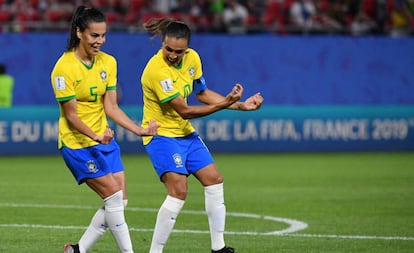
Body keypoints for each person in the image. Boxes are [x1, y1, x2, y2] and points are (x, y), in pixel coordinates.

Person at [140, 17, 264, 253]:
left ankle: (218, 248)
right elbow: (184, 110)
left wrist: (241, 106)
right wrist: (225, 103)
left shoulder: (193, 58)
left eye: (179, 51)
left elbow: (203, 94)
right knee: (178, 192)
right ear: (162, 44)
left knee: (214, 180)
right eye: (169, 49)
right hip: (161, 135)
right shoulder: (156, 70)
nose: (174, 55)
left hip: (185, 135)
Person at [50, 6, 159, 253]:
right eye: (94, 36)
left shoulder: (108, 62)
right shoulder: (63, 68)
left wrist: (138, 130)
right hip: (77, 144)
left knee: (121, 199)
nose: (100, 41)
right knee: (113, 197)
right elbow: (71, 116)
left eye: (103, 35)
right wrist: (96, 135)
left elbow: (111, 107)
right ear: (79, 33)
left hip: (104, 141)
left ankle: (77, 250)